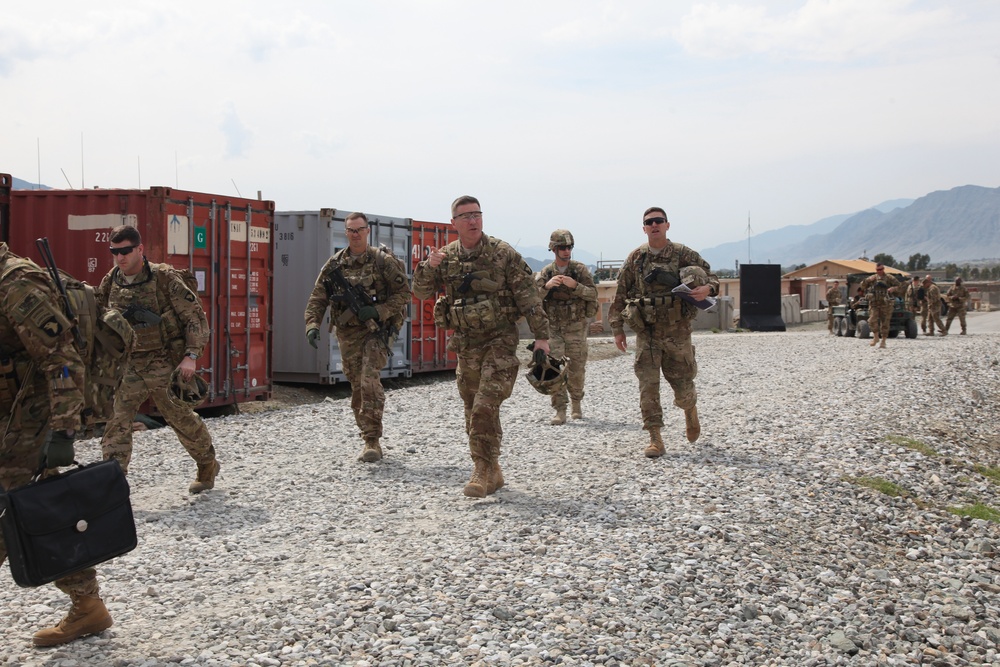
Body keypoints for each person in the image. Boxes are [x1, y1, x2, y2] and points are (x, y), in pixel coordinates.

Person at [0, 243, 115, 646]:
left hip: (27, 419)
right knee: (32, 513)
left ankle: (87, 606)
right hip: (8, 415)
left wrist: (63, 430)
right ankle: (87, 605)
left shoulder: (14, 283)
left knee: (14, 506)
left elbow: (62, 357)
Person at [411, 195, 550, 497]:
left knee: (486, 402)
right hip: (466, 342)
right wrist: (427, 266)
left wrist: (541, 337)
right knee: (472, 405)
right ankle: (494, 469)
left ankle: (481, 469)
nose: (473, 221)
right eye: (466, 216)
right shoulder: (445, 257)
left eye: (477, 214)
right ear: (454, 223)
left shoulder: (502, 253)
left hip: (500, 338)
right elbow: (420, 292)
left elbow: (529, 295)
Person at [97, 225, 219, 493]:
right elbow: (98, 314)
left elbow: (195, 319)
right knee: (116, 419)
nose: (120, 257)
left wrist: (191, 356)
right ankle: (113, 483)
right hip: (129, 365)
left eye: (125, 251)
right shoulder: (112, 280)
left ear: (140, 249)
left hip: (164, 362)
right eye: (114, 252)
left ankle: (207, 464)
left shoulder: (164, 278)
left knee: (179, 418)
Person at [608, 207, 719, 458]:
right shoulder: (636, 258)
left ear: (667, 225)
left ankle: (689, 409)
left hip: (677, 331)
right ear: (644, 228)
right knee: (648, 385)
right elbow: (620, 294)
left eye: (659, 221)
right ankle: (655, 438)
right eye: (649, 222)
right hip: (646, 332)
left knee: (682, 384)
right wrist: (617, 329)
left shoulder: (682, 254)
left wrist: (708, 289)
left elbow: (712, 276)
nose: (654, 225)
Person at [304, 212, 411, 462]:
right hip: (348, 333)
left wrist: (378, 310)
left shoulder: (382, 261)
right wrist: (312, 324)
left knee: (368, 378)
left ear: (367, 231)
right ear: (345, 232)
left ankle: (373, 440)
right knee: (356, 383)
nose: (355, 234)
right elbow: (318, 297)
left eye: (359, 230)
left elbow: (404, 294)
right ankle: (366, 435)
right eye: (351, 230)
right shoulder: (334, 266)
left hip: (379, 329)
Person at [535, 229, 598, 424]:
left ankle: (576, 403)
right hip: (554, 329)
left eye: (569, 247)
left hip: (576, 328)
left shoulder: (579, 271)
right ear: (553, 249)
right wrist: (546, 287)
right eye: (562, 247)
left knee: (577, 368)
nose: (566, 251)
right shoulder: (546, 273)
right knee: (554, 368)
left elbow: (592, 294)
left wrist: (575, 286)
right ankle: (560, 409)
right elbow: (532, 298)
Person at [859, 263, 899, 348]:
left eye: (881, 269)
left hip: (886, 304)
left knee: (885, 323)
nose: (879, 271)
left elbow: (900, 286)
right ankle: (876, 336)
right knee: (871, 320)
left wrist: (893, 289)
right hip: (874, 303)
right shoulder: (873, 278)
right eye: (877, 270)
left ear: (883, 269)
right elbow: (862, 286)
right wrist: (868, 280)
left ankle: (883, 341)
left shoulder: (889, 278)